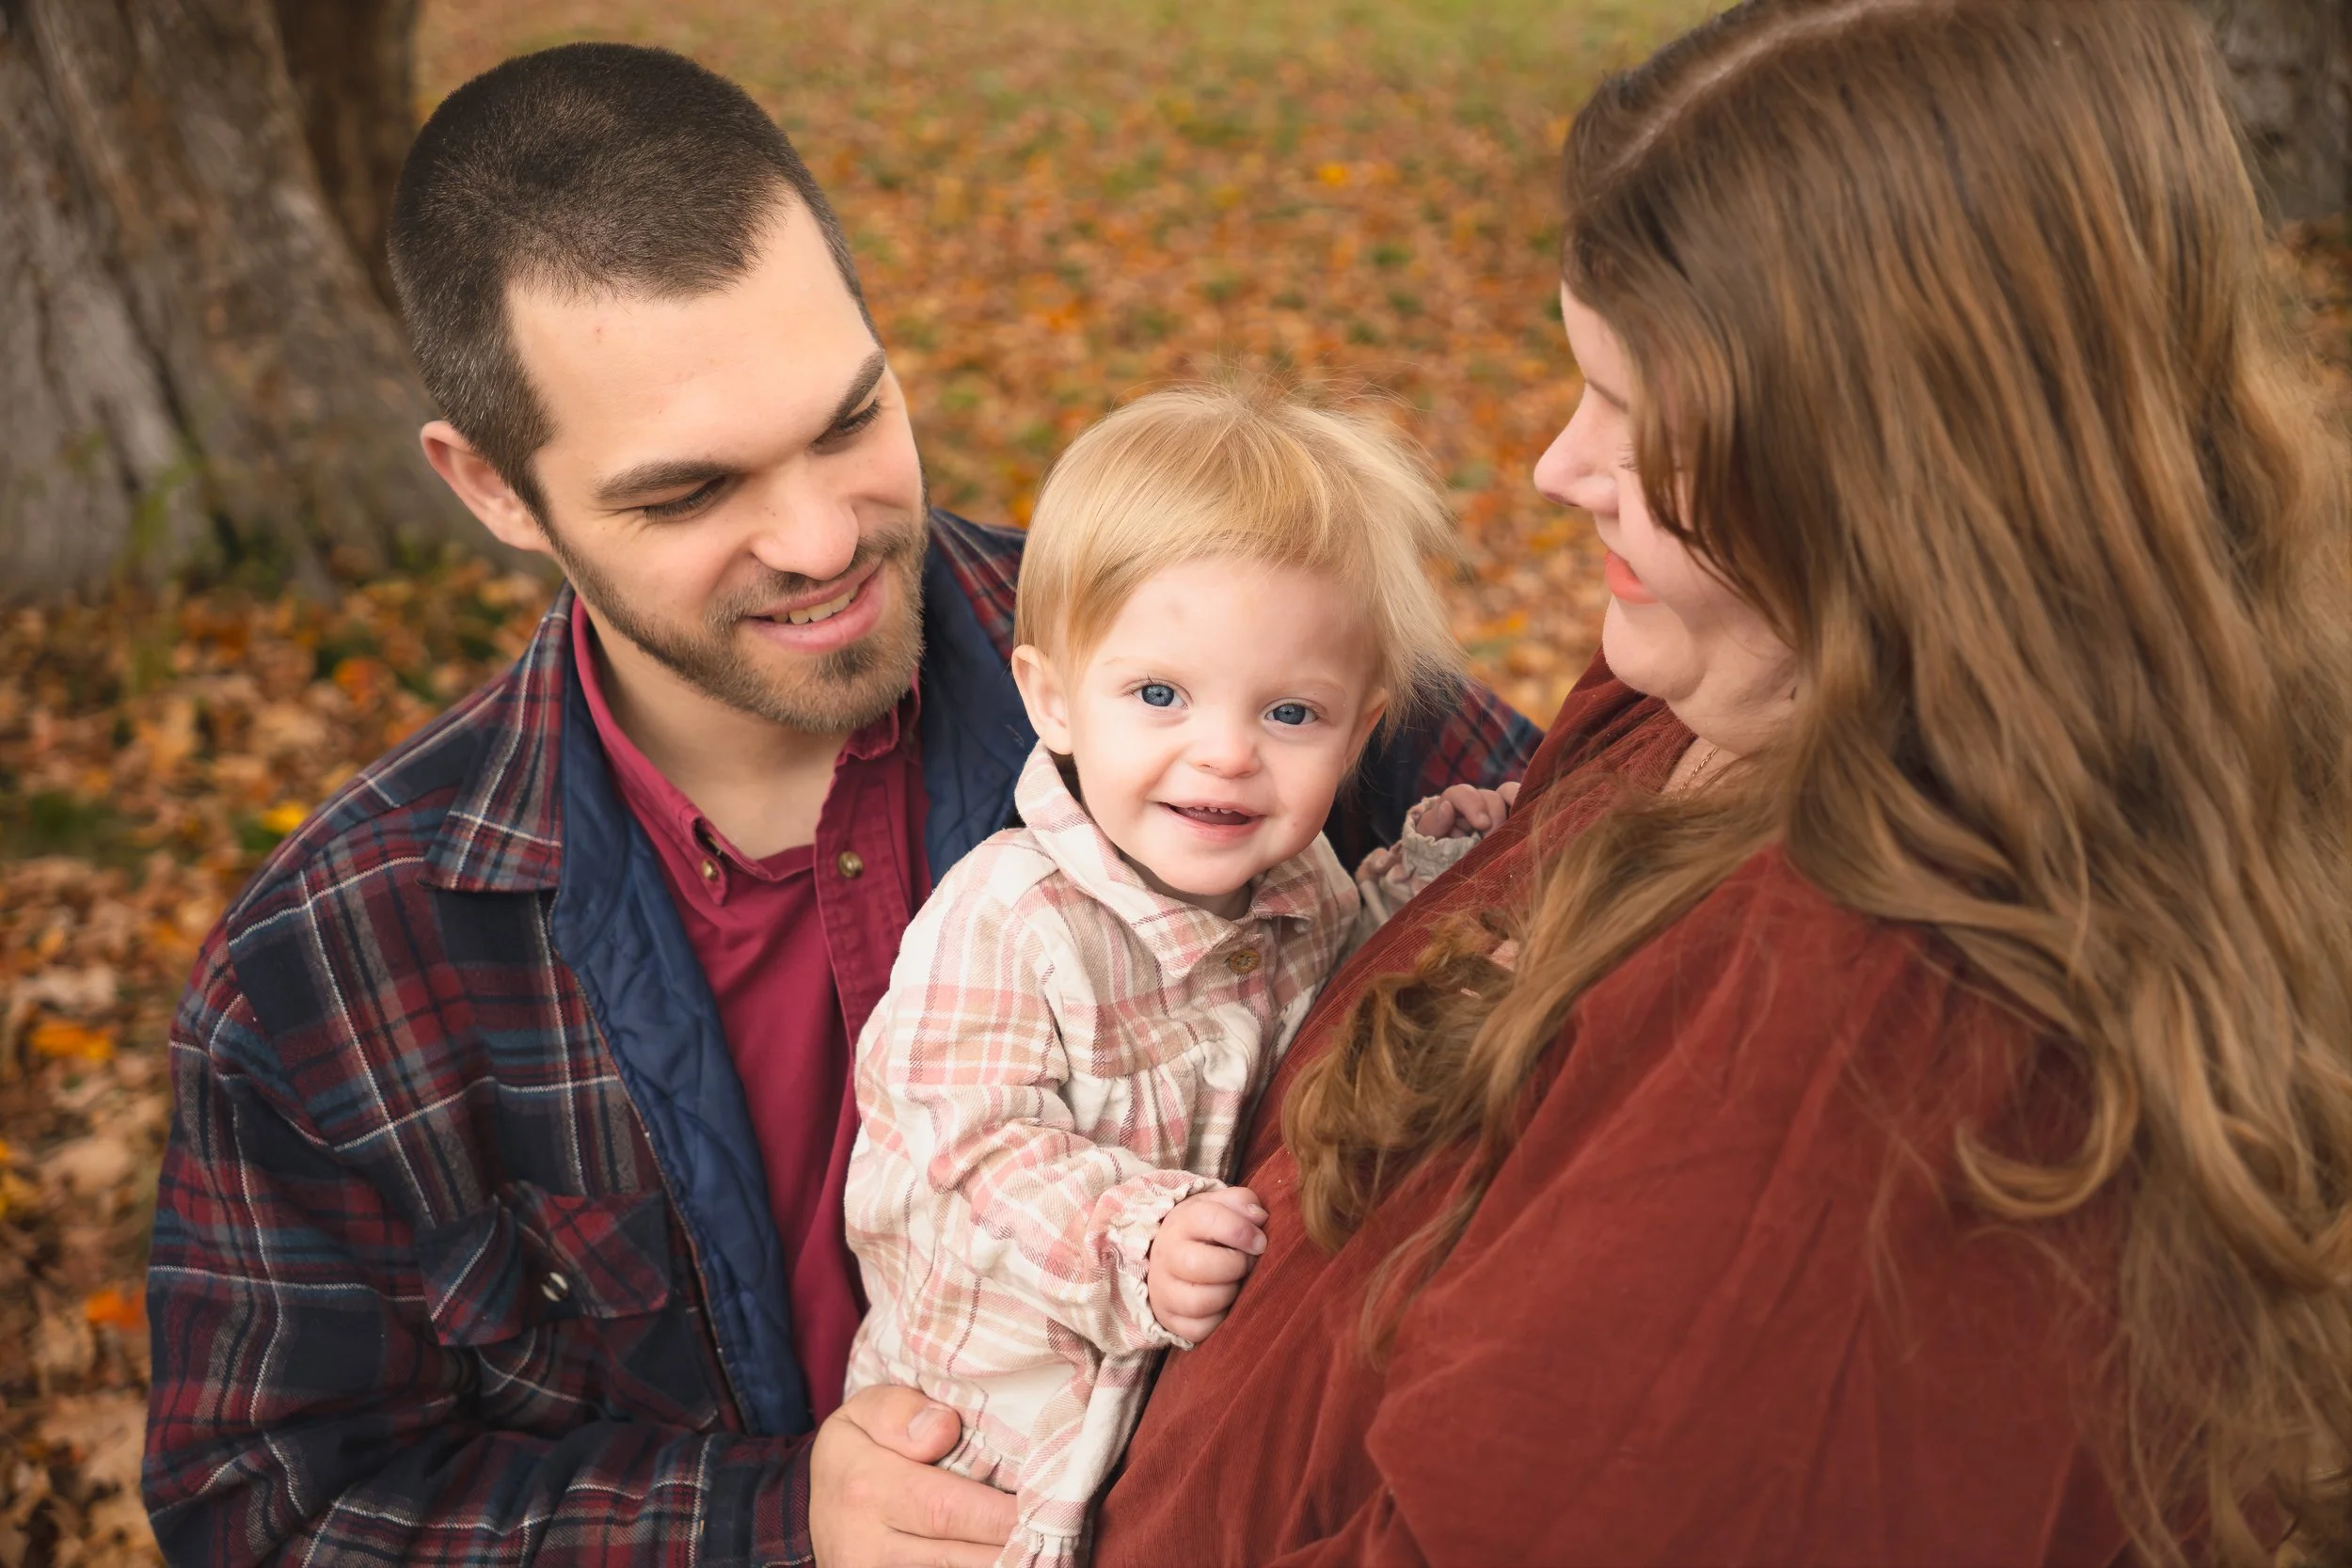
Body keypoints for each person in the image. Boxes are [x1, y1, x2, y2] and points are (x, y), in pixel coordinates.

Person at [136, 43, 1537, 1567]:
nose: (820, 539)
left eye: (850, 420)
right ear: (493, 489)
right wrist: (761, 1520)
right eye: (689, 494)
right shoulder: (332, 969)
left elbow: (1616, 843)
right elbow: (273, 1509)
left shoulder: (1199, 661)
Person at [1081, 2, 2352, 1565]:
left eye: (1631, 407)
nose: (1557, 463)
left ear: (1888, 475)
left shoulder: (1883, 1085)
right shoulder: (1731, 676)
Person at [843, 384, 1517, 1568]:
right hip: (997, 1450)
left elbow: (1354, 993)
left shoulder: (1302, 883)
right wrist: (1129, 1236)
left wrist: (1441, 876)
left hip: (1171, 1432)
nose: (1224, 751)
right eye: (1159, 694)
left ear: (1357, 734)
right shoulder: (1008, 920)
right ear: (1052, 697)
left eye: (1290, 711)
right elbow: (964, 1146)